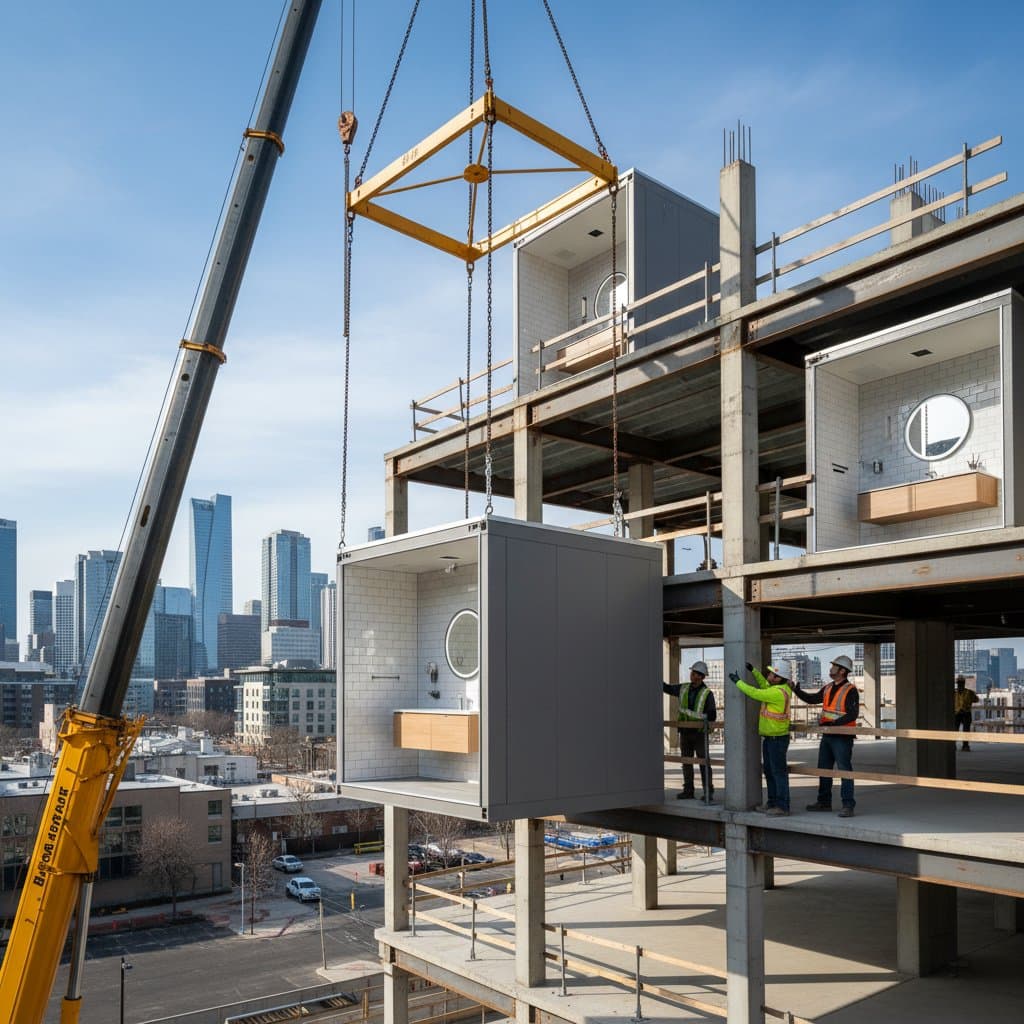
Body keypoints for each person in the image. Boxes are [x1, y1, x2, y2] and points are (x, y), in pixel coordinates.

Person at [791, 654, 859, 818]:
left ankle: (848, 805)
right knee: (824, 769)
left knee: (844, 770)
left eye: (834, 666)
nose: (831, 668)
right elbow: (813, 699)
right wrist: (796, 690)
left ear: (842, 671)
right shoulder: (828, 687)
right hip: (828, 734)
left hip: (842, 735)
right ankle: (824, 802)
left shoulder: (850, 690)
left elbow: (852, 714)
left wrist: (833, 724)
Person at [729, 661, 793, 816]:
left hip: (777, 739)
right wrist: (753, 670)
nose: (769, 675)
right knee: (770, 772)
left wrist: (738, 682)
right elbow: (764, 684)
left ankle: (782, 806)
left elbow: (755, 693)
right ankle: (772, 803)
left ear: (778, 678)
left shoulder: (776, 693)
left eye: (772, 674)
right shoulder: (778, 688)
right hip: (771, 738)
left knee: (778, 773)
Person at [663, 660, 716, 801]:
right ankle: (688, 790)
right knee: (686, 762)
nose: (693, 676)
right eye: (692, 673)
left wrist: (703, 721)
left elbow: (712, 715)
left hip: (699, 734)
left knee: (704, 762)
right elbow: (667, 688)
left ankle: (708, 792)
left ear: (702, 677)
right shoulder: (683, 688)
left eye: (697, 674)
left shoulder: (707, 694)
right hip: (685, 732)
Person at [954, 676, 979, 751]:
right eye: (959, 683)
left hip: (964, 713)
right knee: (956, 730)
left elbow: (976, 699)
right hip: (958, 713)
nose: (960, 685)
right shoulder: (956, 693)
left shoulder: (968, 692)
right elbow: (976, 700)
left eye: (960, 683)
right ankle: (963, 746)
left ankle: (965, 745)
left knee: (965, 730)